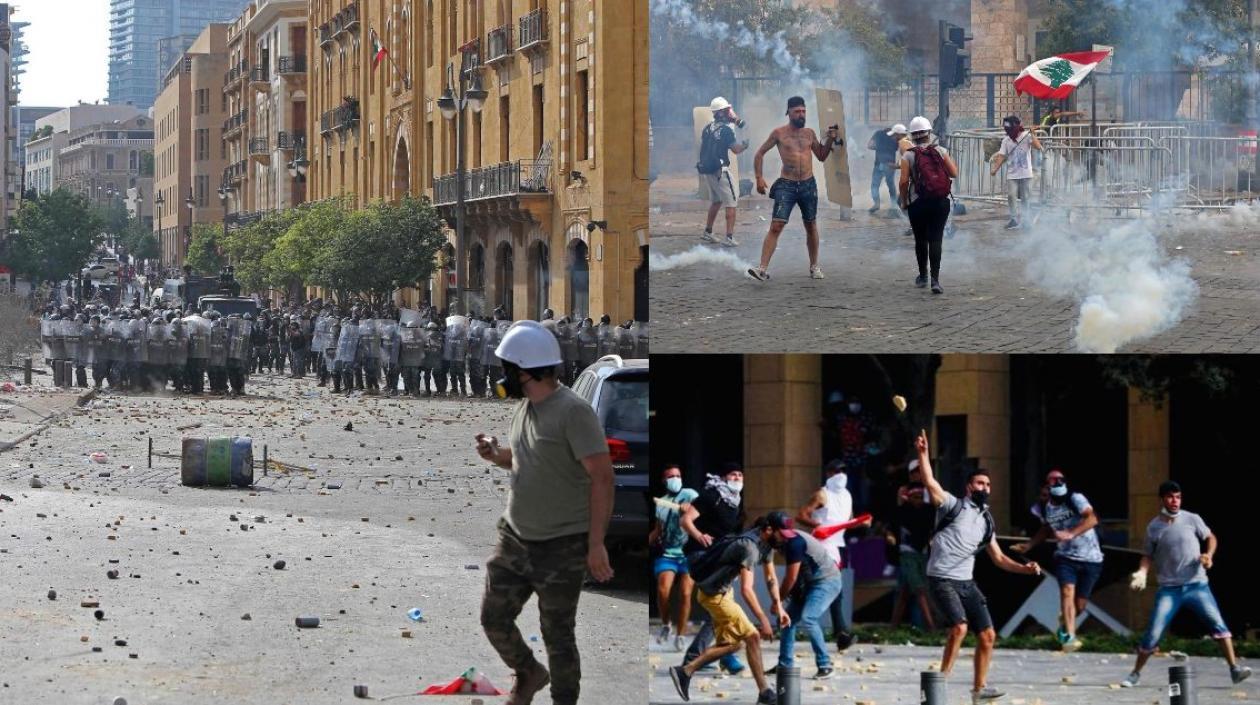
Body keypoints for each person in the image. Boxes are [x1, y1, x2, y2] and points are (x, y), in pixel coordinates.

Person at [474, 321, 614, 705]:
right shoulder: (526, 407)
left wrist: (596, 545)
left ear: (524, 371)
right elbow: (524, 459)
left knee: (558, 635)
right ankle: (529, 672)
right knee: (493, 618)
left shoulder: (573, 412)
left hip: (561, 545)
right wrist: (495, 454)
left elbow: (602, 478)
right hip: (515, 538)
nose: (499, 375)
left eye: (506, 368)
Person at [916, 430, 1042, 704]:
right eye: (979, 483)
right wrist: (923, 454)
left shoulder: (987, 522)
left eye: (987, 484)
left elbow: (999, 559)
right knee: (959, 628)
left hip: (966, 583)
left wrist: (1026, 568)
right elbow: (930, 481)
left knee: (987, 635)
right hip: (941, 579)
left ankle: (979, 690)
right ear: (969, 487)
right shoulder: (953, 506)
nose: (984, 487)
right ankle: (939, 686)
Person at [1121, 481, 1251, 688]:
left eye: (1178, 497)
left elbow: (1211, 537)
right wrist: (1142, 573)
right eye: (1171, 497)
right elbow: (1147, 555)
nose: (1175, 501)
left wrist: (1208, 555)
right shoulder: (1154, 526)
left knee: (1218, 625)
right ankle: (1135, 673)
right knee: (1153, 633)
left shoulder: (1192, 519)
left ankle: (1234, 669)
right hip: (1169, 590)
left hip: (1197, 585)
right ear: (1162, 499)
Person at [668, 516, 786, 705]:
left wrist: (779, 607)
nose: (784, 540)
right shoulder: (750, 548)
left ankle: (685, 671)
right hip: (716, 597)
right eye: (782, 534)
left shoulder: (767, 544)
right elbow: (747, 590)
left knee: (733, 644)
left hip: (722, 593)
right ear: (769, 529)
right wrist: (764, 619)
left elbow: (771, 578)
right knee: (753, 636)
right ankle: (764, 691)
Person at [746, 96, 840, 282]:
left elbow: (821, 156)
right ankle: (762, 269)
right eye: (797, 111)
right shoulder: (779, 133)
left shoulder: (809, 133)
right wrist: (758, 178)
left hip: (807, 184)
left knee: (811, 225)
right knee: (776, 225)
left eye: (803, 111)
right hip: (786, 185)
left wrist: (830, 140)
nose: (801, 114)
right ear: (788, 112)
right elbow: (759, 153)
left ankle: (814, 267)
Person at [1011, 468, 1103, 651]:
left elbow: (1092, 519)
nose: (1055, 483)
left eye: (1059, 480)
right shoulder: (1043, 507)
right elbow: (1046, 529)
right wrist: (1029, 545)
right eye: (1051, 481)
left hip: (1091, 557)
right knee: (1067, 592)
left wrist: (1071, 533)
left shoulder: (1075, 498)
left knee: (1080, 605)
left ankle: (1065, 622)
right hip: (1065, 557)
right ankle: (1070, 637)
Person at [679, 463, 750, 675]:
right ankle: (724, 656)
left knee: (718, 608)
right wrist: (699, 536)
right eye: (732, 474)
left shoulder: (734, 502)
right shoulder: (712, 495)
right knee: (721, 604)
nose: (737, 478)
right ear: (723, 477)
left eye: (740, 475)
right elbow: (686, 519)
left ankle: (700, 656)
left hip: (716, 558)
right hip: (700, 556)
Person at [762, 511, 844, 681]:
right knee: (787, 620)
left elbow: (790, 577)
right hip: (809, 582)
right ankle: (784, 665)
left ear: (775, 529)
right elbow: (799, 575)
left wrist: (778, 601)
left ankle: (825, 665)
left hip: (827, 581)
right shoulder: (782, 540)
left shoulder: (795, 543)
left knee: (809, 618)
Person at [793, 459, 859, 651]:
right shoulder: (822, 494)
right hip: (820, 547)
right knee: (826, 587)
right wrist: (818, 526)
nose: (841, 475)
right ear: (828, 473)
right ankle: (838, 632)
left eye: (843, 471)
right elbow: (801, 515)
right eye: (837, 471)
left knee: (833, 588)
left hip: (835, 547)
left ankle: (840, 633)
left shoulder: (847, 495)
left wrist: (860, 523)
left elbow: (848, 520)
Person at [899, 116, 958, 295]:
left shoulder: (907, 155)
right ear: (929, 133)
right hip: (940, 201)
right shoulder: (940, 151)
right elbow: (954, 173)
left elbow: (903, 182)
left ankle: (923, 276)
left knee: (920, 239)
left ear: (913, 136)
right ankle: (935, 280)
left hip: (918, 203)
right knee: (936, 239)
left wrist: (904, 201)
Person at [649, 464, 699, 652]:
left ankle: (681, 634)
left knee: (686, 593)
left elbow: (701, 512)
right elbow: (658, 530)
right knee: (663, 590)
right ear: (664, 480)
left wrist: (690, 510)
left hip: (689, 553)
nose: (675, 479)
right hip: (668, 553)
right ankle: (666, 624)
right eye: (671, 476)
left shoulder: (690, 494)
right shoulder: (661, 503)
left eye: (678, 475)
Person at [888, 465, 937, 630]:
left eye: (920, 496)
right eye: (914, 496)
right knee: (921, 590)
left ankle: (893, 627)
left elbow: (933, 530)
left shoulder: (929, 511)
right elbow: (891, 528)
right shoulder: (902, 511)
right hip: (907, 554)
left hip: (922, 553)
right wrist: (890, 538)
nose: (917, 499)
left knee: (904, 592)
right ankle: (931, 628)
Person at [697, 97, 749, 248]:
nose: (730, 113)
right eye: (727, 111)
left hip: (708, 170)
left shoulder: (707, 128)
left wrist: (733, 123)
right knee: (731, 202)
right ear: (721, 113)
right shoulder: (726, 131)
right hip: (721, 171)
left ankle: (708, 232)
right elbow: (736, 149)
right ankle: (729, 237)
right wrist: (745, 144)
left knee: (717, 201)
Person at [989, 115, 1043, 230]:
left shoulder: (1026, 136)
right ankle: (1013, 219)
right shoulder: (1006, 140)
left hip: (1026, 173)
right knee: (1011, 195)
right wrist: (995, 168)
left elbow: (1038, 147)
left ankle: (1026, 220)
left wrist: (1032, 134)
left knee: (1025, 197)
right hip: (1012, 174)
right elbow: (1001, 156)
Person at [868, 124, 907, 215]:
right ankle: (893, 206)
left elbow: (869, 145)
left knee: (875, 185)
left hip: (879, 163)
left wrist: (878, 148)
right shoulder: (899, 140)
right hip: (890, 164)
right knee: (890, 184)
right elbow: (899, 150)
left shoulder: (878, 133)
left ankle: (877, 204)